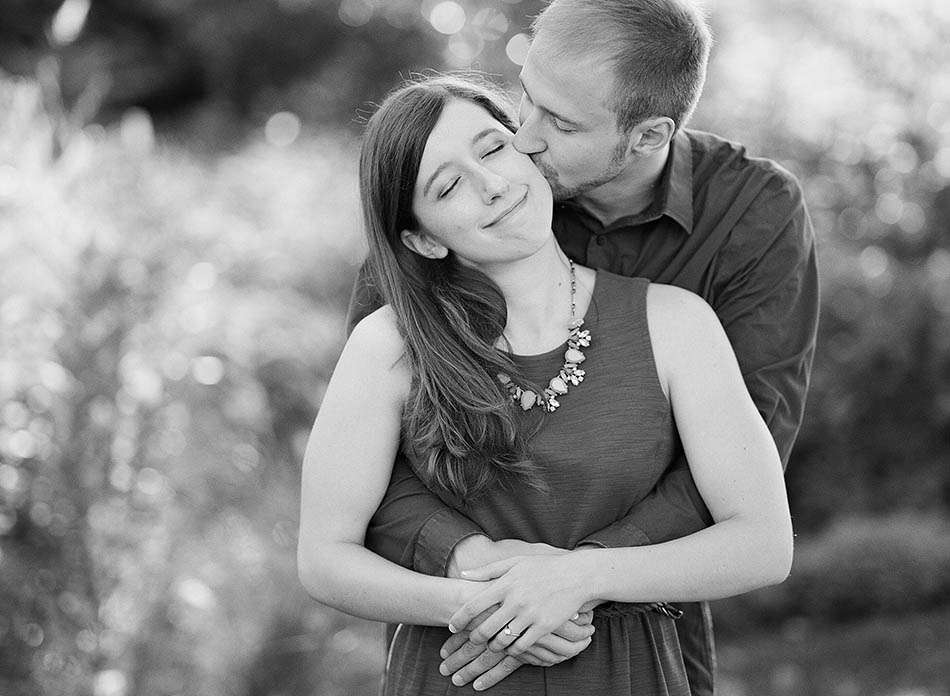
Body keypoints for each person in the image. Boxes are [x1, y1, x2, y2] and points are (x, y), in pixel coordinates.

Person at [345, 1, 819, 692]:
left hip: (642, 625)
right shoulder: (478, 188)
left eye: (562, 124)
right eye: (526, 98)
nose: (525, 139)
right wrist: (487, 579)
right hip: (464, 639)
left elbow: (748, 465)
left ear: (648, 135)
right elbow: (372, 454)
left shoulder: (752, 217)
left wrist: (573, 582)